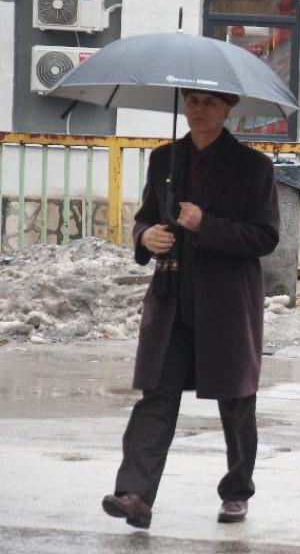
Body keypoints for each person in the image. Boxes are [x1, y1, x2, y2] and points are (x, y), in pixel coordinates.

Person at [102, 89, 280, 529]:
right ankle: (135, 494)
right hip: (171, 295)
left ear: (228, 109)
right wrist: (146, 237)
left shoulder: (253, 167)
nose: (198, 110)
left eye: (209, 103)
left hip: (226, 301)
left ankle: (237, 491)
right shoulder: (165, 160)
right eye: (192, 101)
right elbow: (146, 217)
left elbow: (264, 237)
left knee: (236, 399)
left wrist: (207, 225)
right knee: (156, 396)